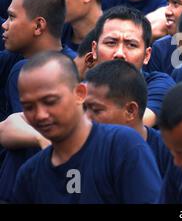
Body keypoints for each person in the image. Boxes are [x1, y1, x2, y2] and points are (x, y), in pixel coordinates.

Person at [12, 51, 162, 203]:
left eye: (50, 101)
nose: (40, 115)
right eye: (29, 107)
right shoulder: (30, 174)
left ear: (79, 93)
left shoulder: (122, 146)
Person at [84, 60, 171, 178]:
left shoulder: (174, 154)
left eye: (96, 110)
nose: (86, 118)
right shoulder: (79, 153)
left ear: (130, 111)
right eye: (84, 108)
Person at [91, 5, 175, 125]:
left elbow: (138, 124)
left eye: (131, 45)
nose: (119, 53)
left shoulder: (158, 85)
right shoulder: (82, 90)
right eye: (111, 43)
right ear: (94, 50)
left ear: (147, 55)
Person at [2, 0, 76, 116]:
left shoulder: (24, 69)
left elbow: (26, 133)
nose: (4, 25)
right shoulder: (75, 62)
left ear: (38, 26)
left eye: (12, 17)